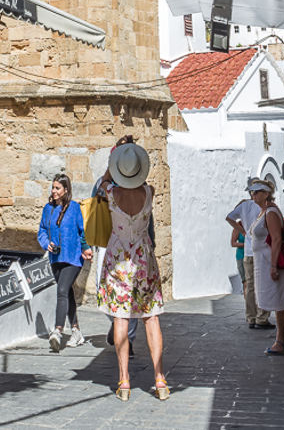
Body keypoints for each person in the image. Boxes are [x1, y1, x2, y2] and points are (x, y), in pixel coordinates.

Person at [97, 143, 168, 401]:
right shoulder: (149, 191)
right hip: (143, 258)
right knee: (151, 318)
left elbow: (101, 182)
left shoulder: (111, 192)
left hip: (118, 259)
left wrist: (112, 163)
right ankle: (160, 379)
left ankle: (124, 380)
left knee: (121, 318)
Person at [37, 174, 92, 351]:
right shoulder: (48, 209)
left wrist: (86, 248)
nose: (53, 191)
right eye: (53, 188)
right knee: (67, 292)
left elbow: (82, 231)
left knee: (61, 290)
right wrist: (47, 244)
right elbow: (42, 231)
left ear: (65, 190)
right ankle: (76, 331)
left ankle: (58, 331)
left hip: (73, 257)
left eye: (57, 188)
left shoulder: (74, 208)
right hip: (56, 258)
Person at [248, 179, 284, 356]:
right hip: (264, 263)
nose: (254, 195)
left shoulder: (270, 213)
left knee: (278, 302)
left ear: (266, 193)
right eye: (252, 192)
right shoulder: (263, 212)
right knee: (275, 301)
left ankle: (280, 341)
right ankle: (280, 340)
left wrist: (274, 266)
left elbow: (276, 239)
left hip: (271, 263)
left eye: (257, 191)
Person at [226, 182, 274, 330]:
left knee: (251, 286)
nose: (254, 195)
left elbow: (229, 217)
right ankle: (262, 318)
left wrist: (242, 230)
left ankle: (251, 318)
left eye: (255, 192)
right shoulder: (267, 207)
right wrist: (243, 231)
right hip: (262, 251)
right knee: (263, 284)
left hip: (248, 251)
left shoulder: (244, 206)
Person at [232, 226, 246, 291]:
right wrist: (246, 244)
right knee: (245, 281)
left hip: (253, 256)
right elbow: (233, 243)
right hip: (241, 256)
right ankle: (247, 300)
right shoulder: (237, 227)